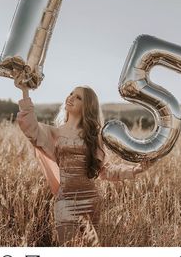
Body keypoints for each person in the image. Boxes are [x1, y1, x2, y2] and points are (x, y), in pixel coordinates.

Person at [15, 77, 152, 246]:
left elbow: (105, 170)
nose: (71, 97)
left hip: (90, 200)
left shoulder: (93, 137)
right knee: (69, 249)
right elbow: (30, 126)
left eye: (78, 97)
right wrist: (25, 91)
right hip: (65, 201)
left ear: (87, 107)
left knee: (90, 251)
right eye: (71, 93)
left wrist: (135, 170)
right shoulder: (54, 133)